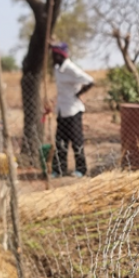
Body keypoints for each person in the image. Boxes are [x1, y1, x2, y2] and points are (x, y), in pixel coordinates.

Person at [50, 42, 93, 178]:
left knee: (76, 141)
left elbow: (90, 80)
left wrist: (78, 94)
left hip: (73, 110)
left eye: (54, 55)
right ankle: (59, 170)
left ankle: (81, 169)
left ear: (60, 55)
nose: (52, 57)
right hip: (62, 109)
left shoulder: (71, 68)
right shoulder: (57, 68)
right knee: (60, 141)